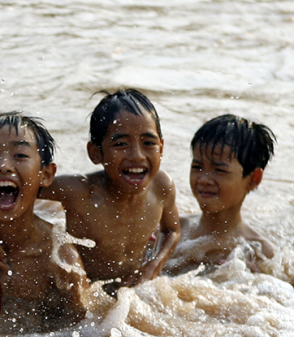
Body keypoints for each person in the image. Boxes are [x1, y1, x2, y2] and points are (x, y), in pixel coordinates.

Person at [42, 89, 180, 294]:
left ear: (161, 147)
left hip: (128, 291)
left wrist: (153, 265)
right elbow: (15, 187)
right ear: (95, 153)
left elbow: (172, 231)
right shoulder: (79, 191)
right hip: (84, 290)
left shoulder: (161, 186)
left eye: (149, 143)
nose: (137, 155)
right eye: (121, 144)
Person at [0, 112, 90, 333]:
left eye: (20, 155)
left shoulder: (60, 261)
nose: (3, 165)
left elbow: (83, 334)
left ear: (45, 174)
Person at [166, 114, 276, 275]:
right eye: (197, 167)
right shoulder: (172, 229)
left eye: (219, 170)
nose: (204, 179)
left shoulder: (261, 252)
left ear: (253, 179)